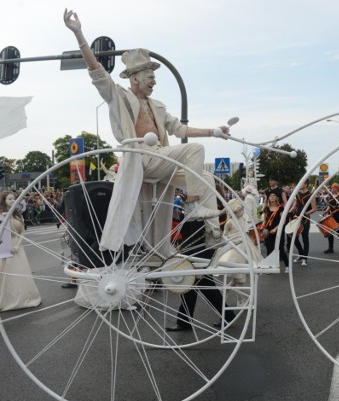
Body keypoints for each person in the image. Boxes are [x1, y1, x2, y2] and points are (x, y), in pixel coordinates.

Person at [64, 9, 229, 256]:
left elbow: (179, 128)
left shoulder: (158, 106)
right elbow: (97, 72)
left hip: (161, 159)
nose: (154, 81)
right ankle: (193, 206)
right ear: (135, 78)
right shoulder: (119, 96)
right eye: (150, 77)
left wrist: (213, 131)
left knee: (205, 178)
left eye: (154, 77)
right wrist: (79, 34)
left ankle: (210, 234)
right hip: (141, 158)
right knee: (195, 150)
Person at [0, 192, 42, 312]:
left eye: (14, 199)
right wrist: (3, 220)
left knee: (20, 273)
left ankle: (23, 297)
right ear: (3, 200)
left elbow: (22, 232)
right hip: (2, 247)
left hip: (16, 248)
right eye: (9, 199)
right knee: (0, 274)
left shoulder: (18, 214)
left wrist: (17, 245)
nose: (12, 201)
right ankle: (2, 299)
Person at [291, 179, 317, 266]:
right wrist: (289, 212)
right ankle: (301, 254)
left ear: (306, 184)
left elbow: (314, 208)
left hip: (305, 219)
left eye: (301, 183)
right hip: (296, 218)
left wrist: (305, 213)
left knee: (305, 238)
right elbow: (295, 205)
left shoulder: (310, 195)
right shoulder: (297, 194)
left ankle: (305, 258)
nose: (299, 184)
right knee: (293, 237)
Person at [261, 192, 289, 273]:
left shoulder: (280, 208)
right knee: (269, 249)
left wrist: (276, 229)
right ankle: (270, 267)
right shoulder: (266, 209)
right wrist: (262, 227)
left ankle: (287, 265)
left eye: (274, 195)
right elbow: (265, 220)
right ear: (268, 198)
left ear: (277, 197)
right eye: (270, 196)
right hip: (268, 231)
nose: (272, 197)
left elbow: (282, 221)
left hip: (278, 231)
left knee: (280, 248)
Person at [323, 184, 339, 254]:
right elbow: (329, 205)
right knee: (330, 232)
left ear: (337, 188)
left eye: (333, 188)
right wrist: (326, 211)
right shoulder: (331, 196)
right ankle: (330, 247)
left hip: (338, 215)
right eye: (331, 188)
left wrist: (337, 209)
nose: (332, 189)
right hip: (331, 215)